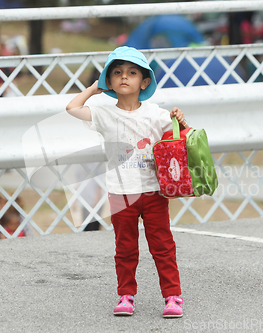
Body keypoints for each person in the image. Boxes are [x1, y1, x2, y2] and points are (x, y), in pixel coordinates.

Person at [66, 46, 187, 318]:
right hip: (120, 193)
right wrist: (95, 89)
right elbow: (72, 107)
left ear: (144, 82)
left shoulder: (156, 114)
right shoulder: (104, 114)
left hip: (154, 191)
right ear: (109, 81)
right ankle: (126, 295)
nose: (124, 77)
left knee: (162, 246)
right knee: (125, 248)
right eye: (117, 73)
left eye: (132, 73)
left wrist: (181, 119)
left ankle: (172, 296)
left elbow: (181, 138)